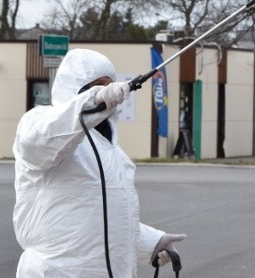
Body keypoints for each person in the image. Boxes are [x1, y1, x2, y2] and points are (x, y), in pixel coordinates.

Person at [13, 48, 186, 277]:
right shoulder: (39, 124)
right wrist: (92, 100)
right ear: (74, 88)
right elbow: (39, 140)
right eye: (95, 85)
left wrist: (152, 243)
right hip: (55, 271)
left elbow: (103, 216)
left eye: (108, 84)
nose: (104, 91)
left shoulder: (113, 151)